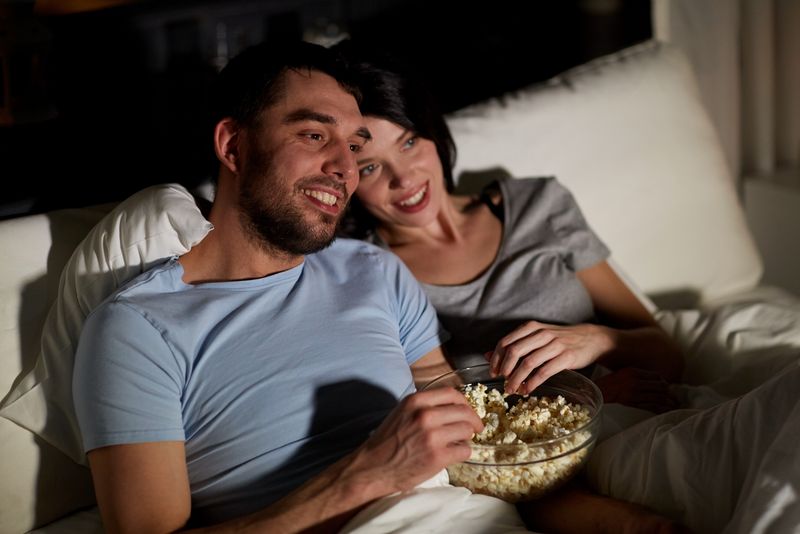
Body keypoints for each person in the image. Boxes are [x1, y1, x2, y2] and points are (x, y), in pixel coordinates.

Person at [71, 40, 486, 532]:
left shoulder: (374, 269)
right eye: (314, 135)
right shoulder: (138, 330)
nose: (345, 168)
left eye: (354, 147)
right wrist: (365, 477)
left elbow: (457, 411)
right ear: (233, 146)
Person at [335, 44, 685, 413]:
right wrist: (588, 398)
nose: (404, 178)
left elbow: (669, 357)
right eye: (370, 167)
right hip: (553, 440)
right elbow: (444, 416)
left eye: (408, 142)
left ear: (434, 135)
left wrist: (595, 340)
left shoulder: (539, 204)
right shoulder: (371, 274)